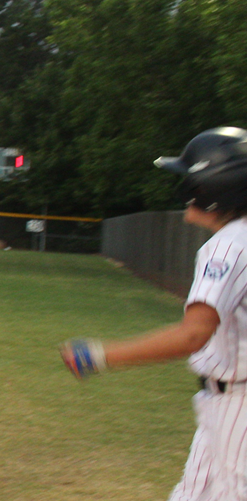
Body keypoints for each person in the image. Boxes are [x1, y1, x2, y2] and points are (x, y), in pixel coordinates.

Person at [60, 127, 247, 501]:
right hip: (224, 404)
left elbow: (194, 334)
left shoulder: (227, 246)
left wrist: (99, 355)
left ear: (212, 190)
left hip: (238, 406)